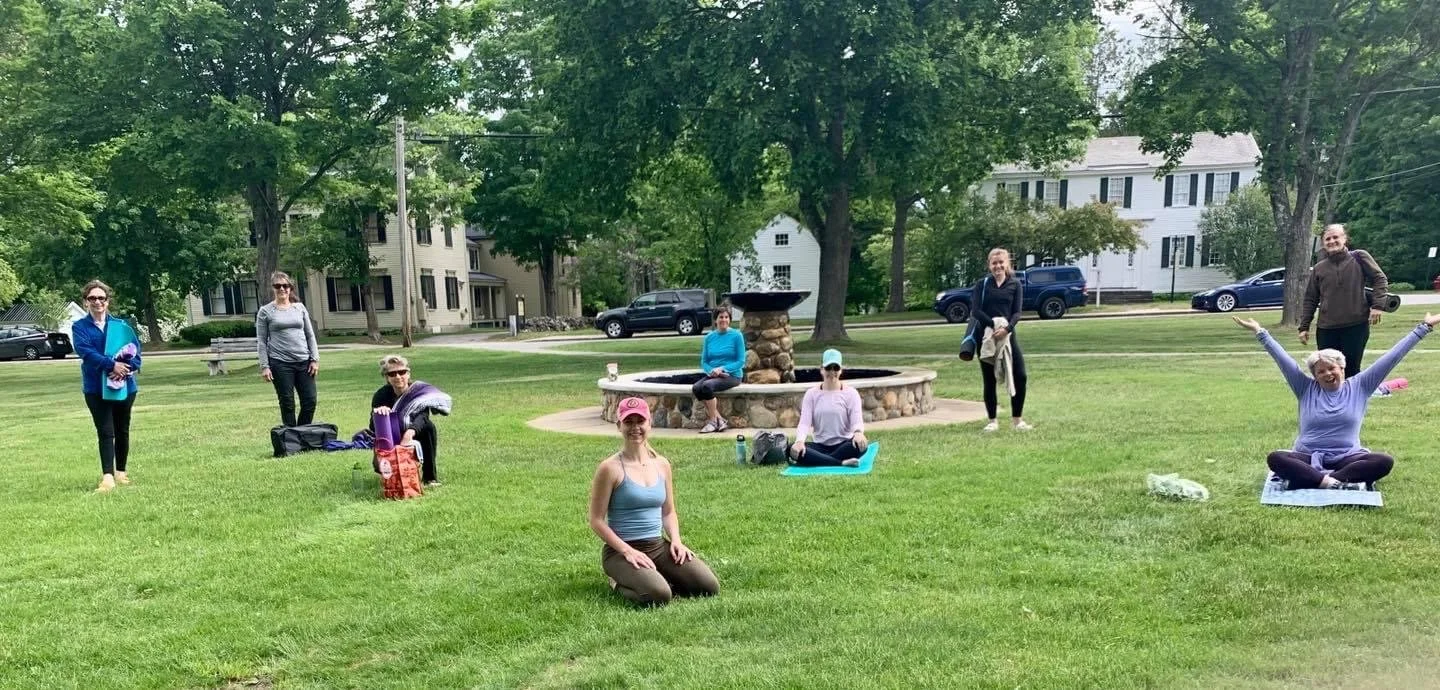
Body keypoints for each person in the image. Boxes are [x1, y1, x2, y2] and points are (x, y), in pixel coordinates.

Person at [1234, 312, 1439, 490]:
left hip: (1347, 458)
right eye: (1320, 371)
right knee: (1276, 458)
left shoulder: (1360, 385)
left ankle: (1323, 480)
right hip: (1308, 457)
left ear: (1342, 368)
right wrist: (1260, 332)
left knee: (1383, 461)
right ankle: (1331, 482)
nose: (1327, 374)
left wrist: (1424, 327)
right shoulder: (1305, 388)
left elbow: (1393, 356)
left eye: (1332, 368)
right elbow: (1283, 360)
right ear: (1314, 375)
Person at [588, 397, 720, 606]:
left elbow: (668, 512)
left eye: (640, 421)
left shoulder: (661, 465)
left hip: (657, 546)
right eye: (628, 422)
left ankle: (656, 576)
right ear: (618, 426)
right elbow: (596, 520)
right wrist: (627, 551)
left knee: (708, 587)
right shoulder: (609, 468)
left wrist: (676, 541)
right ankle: (616, 581)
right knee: (659, 596)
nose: (635, 428)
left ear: (649, 423)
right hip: (621, 552)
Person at [71, 280, 143, 493]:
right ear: (86, 302)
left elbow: (135, 353)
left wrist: (126, 369)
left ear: (107, 301)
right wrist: (112, 365)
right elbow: (86, 353)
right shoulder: (79, 327)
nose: (97, 302)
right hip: (95, 388)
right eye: (92, 298)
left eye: (101, 298)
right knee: (105, 431)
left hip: (125, 388)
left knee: (122, 430)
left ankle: (121, 473)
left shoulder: (121, 326)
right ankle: (107, 477)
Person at [1298, 224, 1390, 379]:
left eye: (1336, 237)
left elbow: (1380, 278)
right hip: (1326, 329)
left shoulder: (1359, 257)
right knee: (1328, 371)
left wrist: (1377, 305)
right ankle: (1330, 402)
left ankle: (1353, 401)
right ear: (1323, 243)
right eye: (1328, 239)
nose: (1332, 241)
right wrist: (1304, 327)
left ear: (1344, 239)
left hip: (1356, 325)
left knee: (1352, 369)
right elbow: (1310, 298)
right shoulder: (1319, 269)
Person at [966, 248, 1033, 432]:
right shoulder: (982, 284)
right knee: (989, 379)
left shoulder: (1015, 284)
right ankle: (992, 420)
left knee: (1020, 376)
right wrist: (994, 325)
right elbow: (976, 311)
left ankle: (1017, 420)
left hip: (1008, 336)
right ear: (990, 265)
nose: (998, 266)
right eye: (994, 263)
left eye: (1001, 262)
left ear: (1007, 264)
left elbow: (1017, 312)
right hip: (986, 337)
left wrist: (1007, 329)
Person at [371, 355, 451, 486]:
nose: (398, 376)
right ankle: (391, 468)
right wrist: (381, 415)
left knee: (429, 428)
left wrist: (409, 433)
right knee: (381, 468)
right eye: (392, 374)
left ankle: (430, 478)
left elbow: (423, 418)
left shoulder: (418, 392)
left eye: (402, 372)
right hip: (391, 436)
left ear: (408, 373)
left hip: (413, 432)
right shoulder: (381, 395)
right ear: (387, 378)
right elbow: (372, 427)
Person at [256, 271, 320, 427]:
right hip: (280, 363)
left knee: (310, 401)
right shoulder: (265, 311)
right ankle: (290, 438)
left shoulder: (299, 308)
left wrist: (315, 359)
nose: (282, 289)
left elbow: (310, 335)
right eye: (278, 286)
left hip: (304, 362)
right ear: (273, 288)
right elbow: (262, 342)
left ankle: (302, 433)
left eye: (285, 286)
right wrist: (265, 366)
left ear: (290, 288)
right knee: (287, 403)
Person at [787, 349, 868, 467]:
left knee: (861, 446)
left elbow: (857, 420)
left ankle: (820, 460)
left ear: (841, 371)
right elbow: (804, 423)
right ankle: (840, 462)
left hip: (844, 444)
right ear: (822, 369)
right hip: (820, 446)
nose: (832, 372)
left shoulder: (851, 393)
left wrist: (858, 433)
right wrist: (799, 441)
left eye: (836, 368)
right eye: (828, 368)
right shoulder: (811, 394)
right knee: (791, 449)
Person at [693, 307, 744, 433]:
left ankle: (712, 421)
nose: (724, 320)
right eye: (721, 317)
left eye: (726, 317)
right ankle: (719, 420)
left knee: (707, 387)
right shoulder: (709, 338)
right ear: (715, 320)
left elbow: (741, 361)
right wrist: (711, 370)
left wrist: (722, 368)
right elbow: (704, 361)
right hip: (714, 374)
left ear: (730, 320)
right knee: (696, 388)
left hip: (732, 375)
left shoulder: (737, 336)